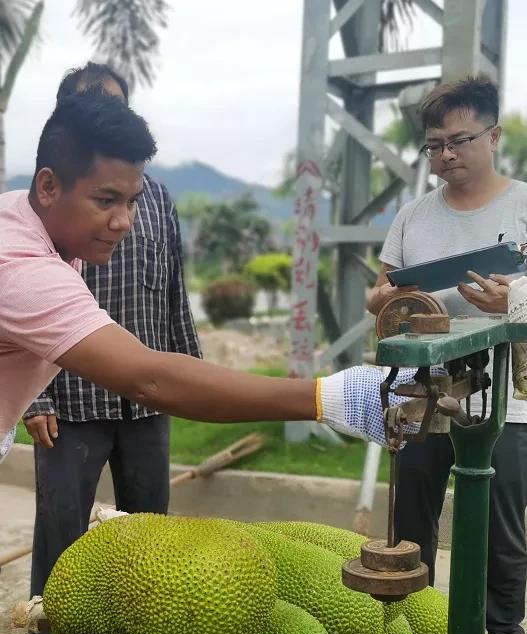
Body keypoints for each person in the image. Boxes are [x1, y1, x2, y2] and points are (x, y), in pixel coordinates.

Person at [0, 92, 413, 514]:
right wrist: (332, 398)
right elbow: (151, 380)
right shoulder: (24, 269)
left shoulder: (25, 214)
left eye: (131, 201)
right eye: (106, 201)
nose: (123, 221)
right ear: (49, 186)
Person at [21, 64, 201, 634]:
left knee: (149, 530)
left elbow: (174, 290)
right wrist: (36, 397)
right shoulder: (44, 216)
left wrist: (189, 377)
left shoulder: (153, 197)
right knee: (63, 531)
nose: (118, 216)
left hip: (145, 402)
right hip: (71, 400)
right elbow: (24, 317)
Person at [367, 75, 527, 634]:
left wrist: (509, 305)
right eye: (435, 145)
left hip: (505, 392)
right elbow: (382, 295)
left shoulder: (520, 205)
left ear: (493, 135)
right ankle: (412, 623)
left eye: (459, 140)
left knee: (500, 513)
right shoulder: (413, 216)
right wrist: (381, 298)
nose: (447, 155)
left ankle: (506, 629)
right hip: (422, 388)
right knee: (413, 505)